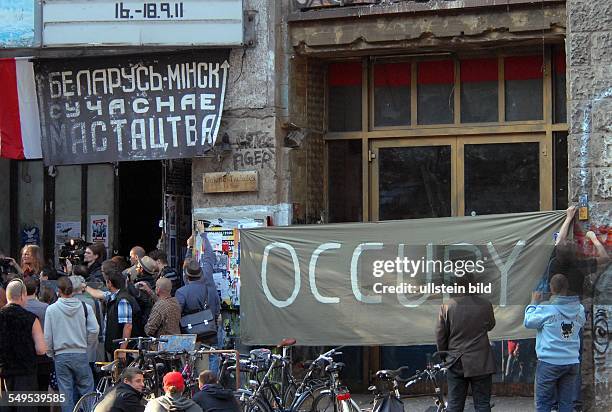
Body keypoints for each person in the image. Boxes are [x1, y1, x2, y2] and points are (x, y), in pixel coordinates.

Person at [435, 272, 496, 412]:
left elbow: (440, 336)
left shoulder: (447, 307)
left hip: (456, 361)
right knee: (482, 404)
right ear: (473, 285)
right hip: (481, 361)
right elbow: (491, 325)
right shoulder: (485, 304)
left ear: (455, 286)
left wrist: (445, 357)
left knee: (455, 404)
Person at [524, 274, 585, 412]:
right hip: (571, 361)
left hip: (549, 362)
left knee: (544, 403)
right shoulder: (579, 309)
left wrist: (533, 302)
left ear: (551, 288)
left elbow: (528, 321)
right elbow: (581, 323)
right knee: (566, 404)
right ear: (567, 287)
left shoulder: (546, 309)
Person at [44, 276, 99, 412]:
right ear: (73, 290)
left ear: (59, 291)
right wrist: (86, 344)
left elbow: (48, 336)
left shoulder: (51, 309)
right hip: (80, 353)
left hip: (61, 354)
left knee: (66, 393)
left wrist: (51, 353)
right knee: (86, 389)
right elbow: (94, 329)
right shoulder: (85, 307)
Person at [86, 262, 143, 361]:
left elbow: (127, 326)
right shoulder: (114, 296)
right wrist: (85, 287)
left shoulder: (122, 300)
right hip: (114, 347)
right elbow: (99, 294)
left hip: (122, 351)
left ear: (110, 283)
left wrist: (122, 350)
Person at [0, 279, 47, 396]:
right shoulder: (31, 319)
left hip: (3, 373)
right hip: (26, 373)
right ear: (22, 295)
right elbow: (41, 350)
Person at [176, 259, 221, 373]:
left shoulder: (181, 292)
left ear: (187, 276)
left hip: (191, 335)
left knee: (190, 366)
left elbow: (177, 314)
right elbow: (216, 310)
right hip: (210, 332)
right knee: (211, 359)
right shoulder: (211, 290)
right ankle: (211, 386)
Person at [70, 275, 103, 366]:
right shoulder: (94, 302)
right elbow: (98, 327)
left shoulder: (62, 303)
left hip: (68, 348)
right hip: (89, 347)